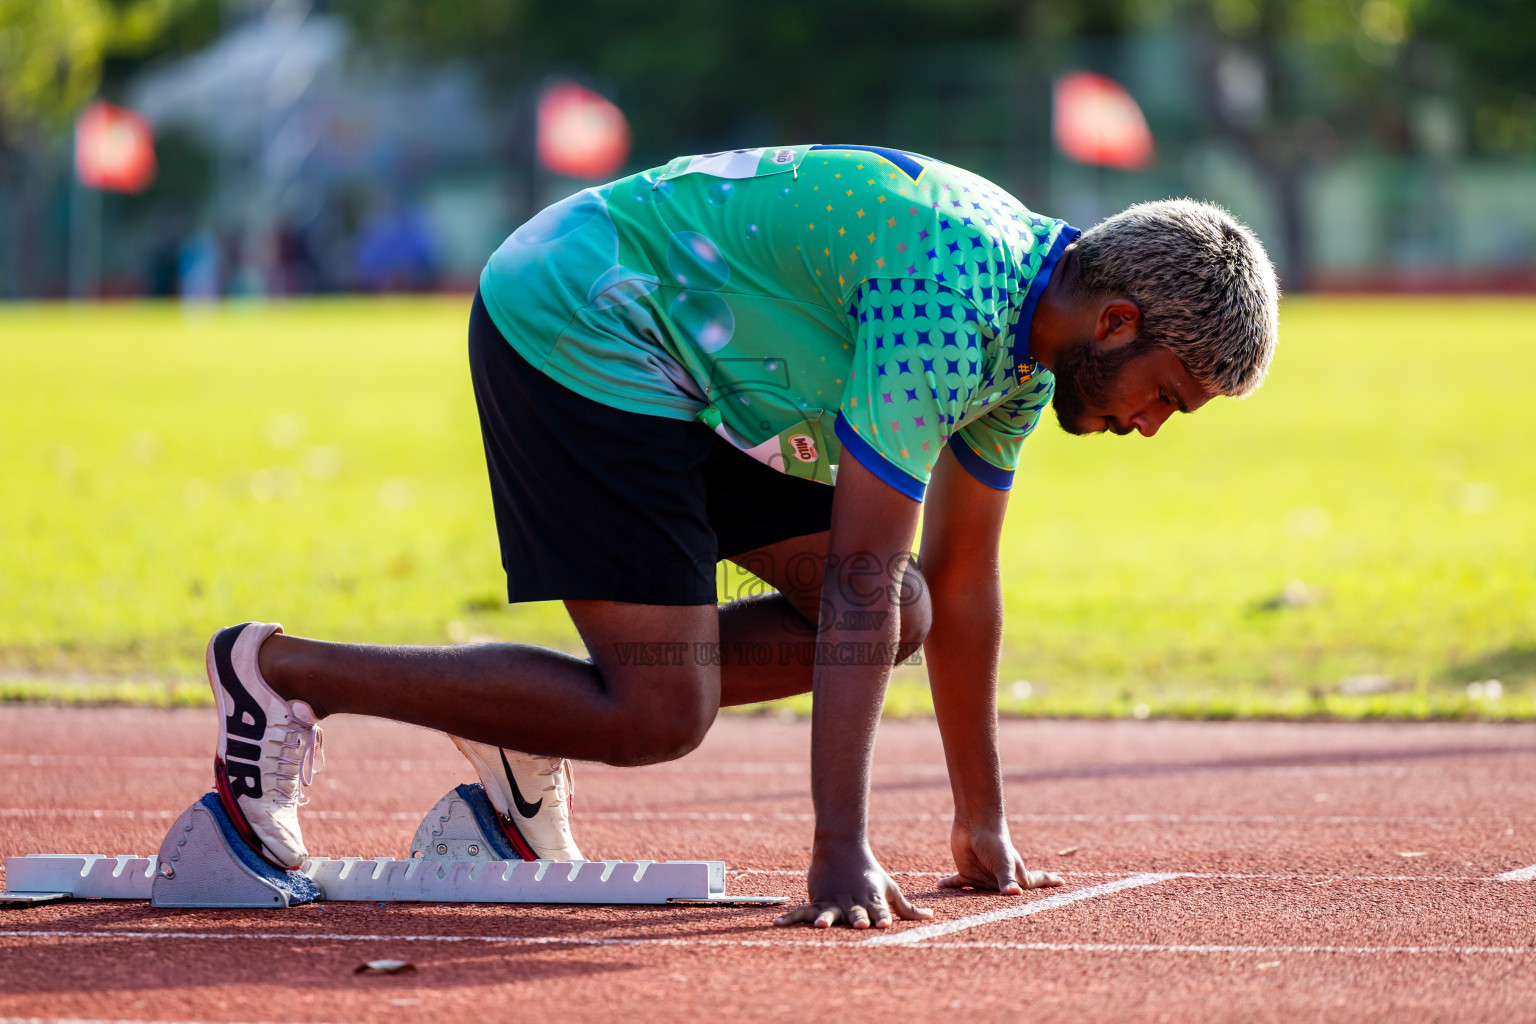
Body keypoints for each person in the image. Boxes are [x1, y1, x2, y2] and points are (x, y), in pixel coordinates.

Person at [204, 145, 1279, 929]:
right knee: (662, 710)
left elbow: (956, 580)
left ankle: (523, 722)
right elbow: (856, 573)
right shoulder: (958, 298)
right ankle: (281, 672)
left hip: (703, 377)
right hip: (580, 317)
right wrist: (838, 850)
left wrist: (980, 822)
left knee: (908, 606)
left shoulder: (1031, 351)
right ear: (1119, 324)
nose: (1151, 425)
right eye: (1169, 398)